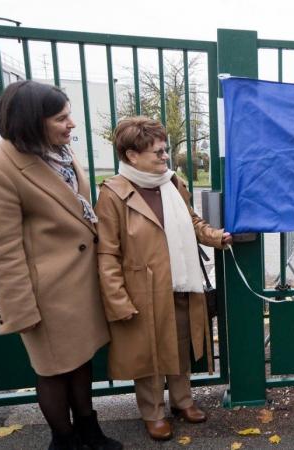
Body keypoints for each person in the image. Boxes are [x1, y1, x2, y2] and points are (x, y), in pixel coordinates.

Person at [0, 81, 122, 450]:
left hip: (77, 287)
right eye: (61, 118)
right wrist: (19, 309)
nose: (71, 124)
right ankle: (63, 441)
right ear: (34, 121)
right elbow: (2, 248)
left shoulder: (57, 152)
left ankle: (88, 430)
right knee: (52, 371)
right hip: (44, 295)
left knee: (80, 363)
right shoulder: (2, 167)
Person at [95, 117, 232, 441]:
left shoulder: (173, 182)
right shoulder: (113, 193)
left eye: (165, 150)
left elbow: (192, 220)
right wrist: (117, 299)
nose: (165, 157)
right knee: (149, 354)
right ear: (131, 155)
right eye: (157, 152)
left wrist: (214, 236)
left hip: (182, 281)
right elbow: (107, 253)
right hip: (142, 288)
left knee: (180, 346)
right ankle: (153, 412)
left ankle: (183, 401)